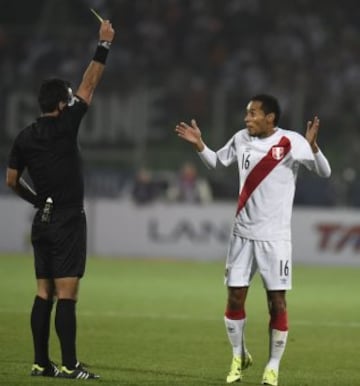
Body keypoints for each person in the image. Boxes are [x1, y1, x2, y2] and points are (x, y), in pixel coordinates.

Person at [175, 94, 331, 386]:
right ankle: (239, 355)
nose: (247, 119)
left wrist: (313, 147)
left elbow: (325, 171)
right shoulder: (240, 139)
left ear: (270, 118)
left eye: (253, 114)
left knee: (277, 303)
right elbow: (216, 162)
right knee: (234, 297)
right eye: (247, 113)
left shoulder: (291, 141)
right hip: (242, 236)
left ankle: (272, 366)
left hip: (275, 239)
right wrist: (200, 145)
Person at [6, 19, 115, 379]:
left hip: (43, 221)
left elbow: (11, 181)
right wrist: (104, 45)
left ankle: (41, 362)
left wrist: (37, 200)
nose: (73, 100)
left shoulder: (24, 136)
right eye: (68, 98)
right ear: (60, 103)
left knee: (43, 293)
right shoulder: (67, 124)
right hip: (67, 218)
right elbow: (90, 83)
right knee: (67, 295)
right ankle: (69, 365)